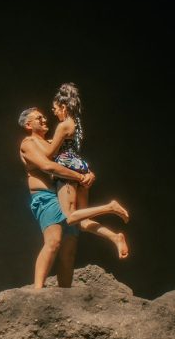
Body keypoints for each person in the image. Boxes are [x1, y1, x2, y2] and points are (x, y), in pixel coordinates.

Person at [18, 106, 129, 289]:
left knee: (69, 252)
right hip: (46, 197)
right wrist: (78, 176)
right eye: (39, 118)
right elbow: (47, 167)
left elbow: (73, 161)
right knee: (53, 241)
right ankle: (36, 291)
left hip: (63, 194)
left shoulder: (53, 142)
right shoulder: (28, 143)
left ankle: (65, 295)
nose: (44, 119)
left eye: (44, 116)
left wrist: (88, 174)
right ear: (28, 124)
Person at [39, 82, 129, 260]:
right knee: (82, 221)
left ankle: (110, 206)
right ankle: (115, 237)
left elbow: (49, 154)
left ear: (63, 107)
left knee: (70, 218)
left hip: (68, 172)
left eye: (55, 108)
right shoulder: (77, 124)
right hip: (81, 168)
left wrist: (38, 144)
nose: (54, 112)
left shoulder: (64, 125)